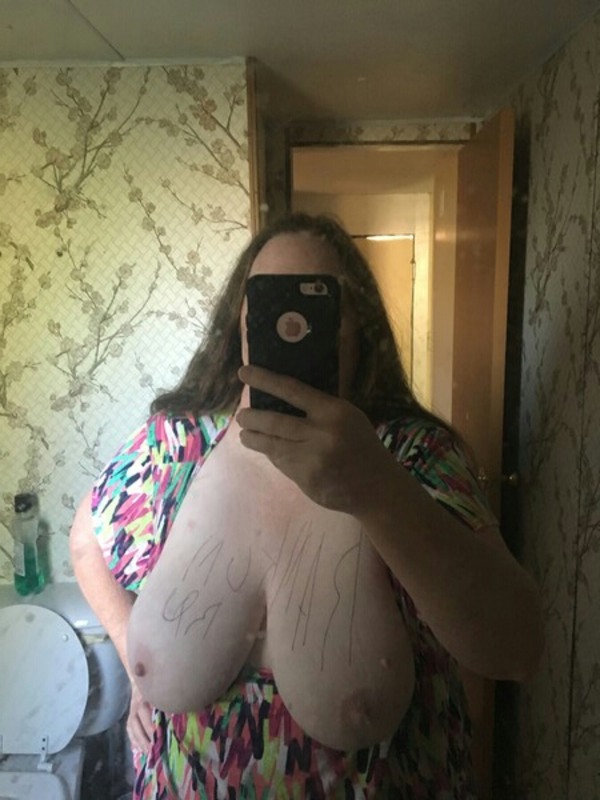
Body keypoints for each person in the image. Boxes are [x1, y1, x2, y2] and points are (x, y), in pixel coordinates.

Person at [70, 213, 544, 799]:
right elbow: (86, 541)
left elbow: (518, 649)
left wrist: (378, 490)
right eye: (269, 301)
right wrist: (135, 661)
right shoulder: (176, 446)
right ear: (241, 324)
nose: (290, 323)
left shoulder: (411, 456)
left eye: (318, 303)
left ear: (356, 327)